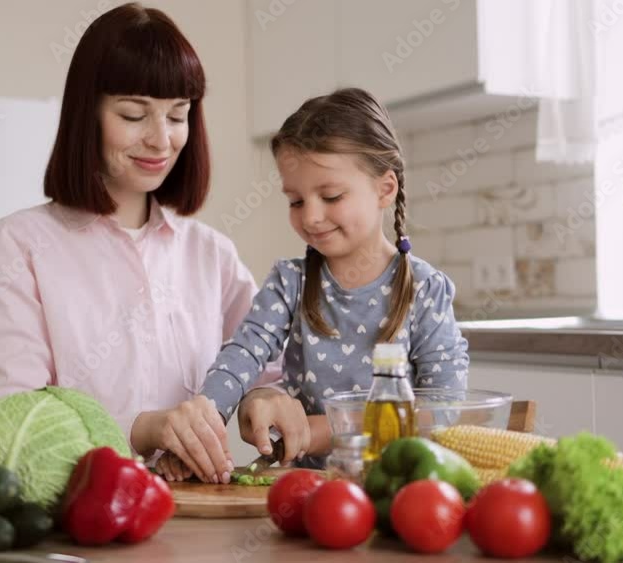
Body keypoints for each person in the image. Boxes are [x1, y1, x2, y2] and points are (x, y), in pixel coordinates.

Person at [0, 2, 279, 483]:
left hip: (195, 522)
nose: (161, 139)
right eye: (134, 114)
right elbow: (18, 425)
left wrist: (263, 399)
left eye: (178, 116)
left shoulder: (210, 254)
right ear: (86, 113)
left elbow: (267, 371)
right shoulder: (15, 247)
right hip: (80, 523)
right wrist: (143, 428)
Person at [157, 88, 471, 483]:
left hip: (398, 489)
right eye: (296, 201)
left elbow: (442, 408)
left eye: (331, 195)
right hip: (308, 491)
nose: (312, 217)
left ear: (385, 189)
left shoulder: (425, 290)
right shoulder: (290, 283)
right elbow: (241, 357)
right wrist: (204, 423)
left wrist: (321, 430)